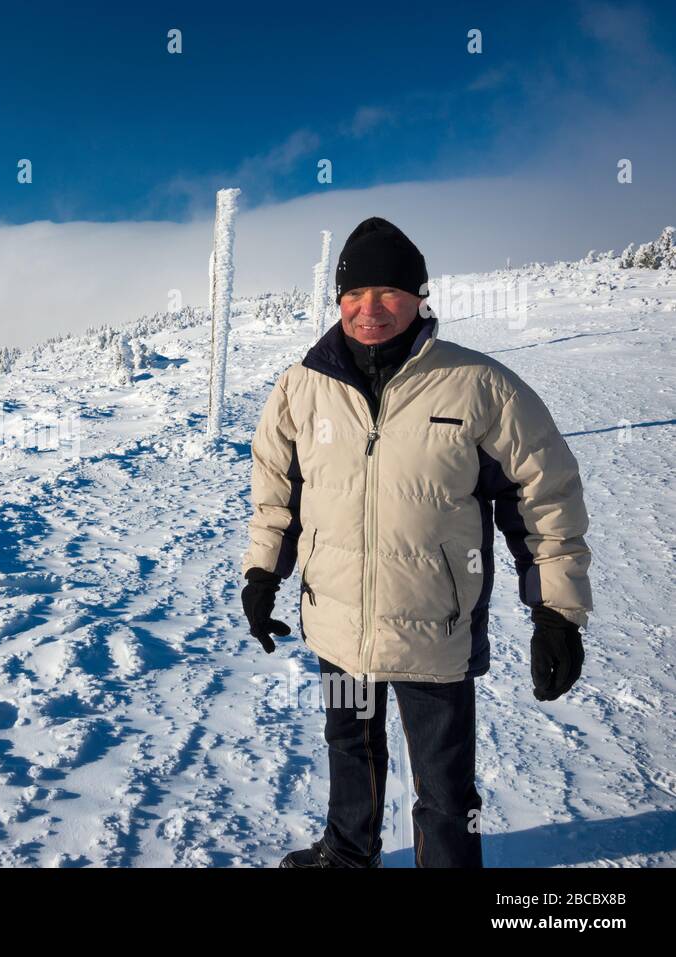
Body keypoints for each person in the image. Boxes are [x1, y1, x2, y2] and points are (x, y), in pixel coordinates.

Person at [239, 216, 592, 868]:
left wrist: (556, 612)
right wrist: (263, 574)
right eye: (354, 293)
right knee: (349, 747)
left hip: (435, 629)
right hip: (338, 624)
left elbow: (544, 494)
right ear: (337, 299)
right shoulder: (301, 386)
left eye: (389, 292)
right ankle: (347, 853)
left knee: (446, 787)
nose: (369, 309)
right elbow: (275, 489)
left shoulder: (478, 386)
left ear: (419, 298)